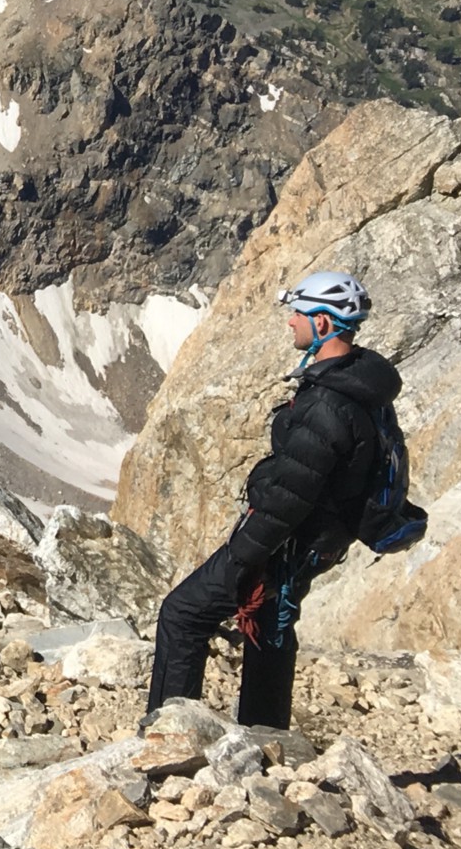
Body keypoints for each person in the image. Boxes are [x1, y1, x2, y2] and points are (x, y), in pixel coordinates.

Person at [142, 270, 402, 729]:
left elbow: (290, 496)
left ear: (323, 324)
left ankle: (168, 734)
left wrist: (242, 559)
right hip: (316, 544)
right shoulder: (359, 384)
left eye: (299, 314)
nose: (291, 323)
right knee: (269, 629)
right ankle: (265, 736)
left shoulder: (328, 404)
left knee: (182, 613)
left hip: (286, 545)